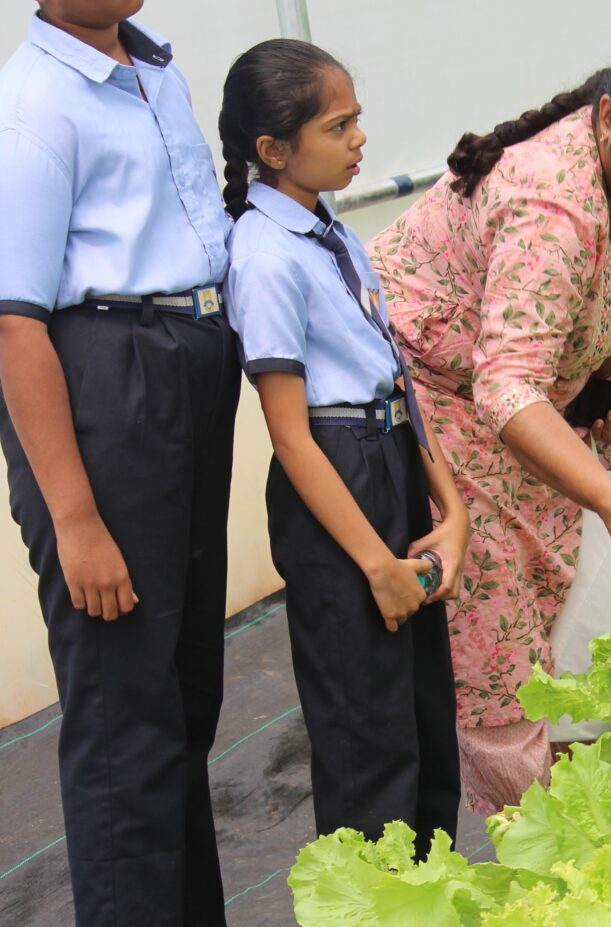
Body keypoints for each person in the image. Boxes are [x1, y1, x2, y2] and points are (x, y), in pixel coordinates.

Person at [369, 26, 611, 814]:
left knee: (556, 606)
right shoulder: (549, 206)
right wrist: (610, 499)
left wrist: (610, 376)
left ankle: (581, 812)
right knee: (500, 641)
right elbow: (504, 387)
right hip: (433, 397)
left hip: (526, 400)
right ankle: (540, 841)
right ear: (607, 119)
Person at [0, 1, 239, 924]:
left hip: (185, 366)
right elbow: (14, 324)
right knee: (123, 713)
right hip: (107, 380)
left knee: (184, 694)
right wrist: (75, 519)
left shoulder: (155, 71)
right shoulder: (34, 106)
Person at [219, 39, 468, 859]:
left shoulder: (334, 233)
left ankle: (430, 893)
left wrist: (452, 507)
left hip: (390, 453)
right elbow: (290, 435)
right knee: (369, 733)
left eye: (357, 119)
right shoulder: (263, 256)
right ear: (273, 149)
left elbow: (397, 375)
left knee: (425, 718)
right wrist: (376, 564)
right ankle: (373, 901)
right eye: (338, 125)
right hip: (337, 474)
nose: (360, 138)